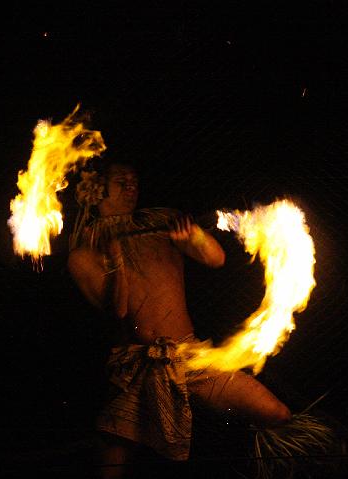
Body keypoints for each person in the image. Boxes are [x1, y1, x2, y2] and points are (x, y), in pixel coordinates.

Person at [67, 162, 291, 478]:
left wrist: (193, 239)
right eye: (121, 181)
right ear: (94, 190)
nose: (132, 186)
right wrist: (116, 259)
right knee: (111, 468)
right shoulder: (84, 253)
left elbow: (215, 258)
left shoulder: (161, 222)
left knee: (276, 412)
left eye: (134, 180)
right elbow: (118, 310)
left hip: (189, 356)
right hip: (135, 369)